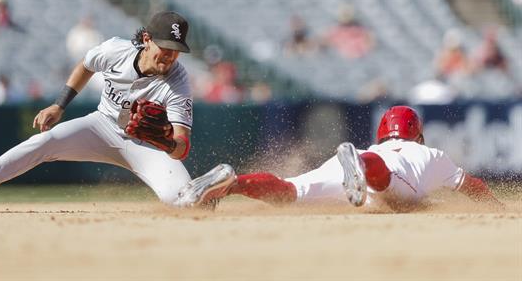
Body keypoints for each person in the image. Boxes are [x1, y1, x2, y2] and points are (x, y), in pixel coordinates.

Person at [0, 11, 195, 211]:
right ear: (147, 40)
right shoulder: (116, 50)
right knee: (43, 142)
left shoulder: (178, 81)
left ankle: (220, 190)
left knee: (184, 200)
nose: (170, 56)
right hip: (101, 126)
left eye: (177, 50)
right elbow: (86, 65)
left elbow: (182, 145)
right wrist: (59, 105)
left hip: (144, 146)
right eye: (166, 47)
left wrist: (166, 142)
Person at [175, 106, 502, 211]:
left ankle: (231, 185)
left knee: (288, 192)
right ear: (417, 132)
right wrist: (498, 210)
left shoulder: (378, 147)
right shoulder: (431, 153)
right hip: (373, 171)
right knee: (388, 183)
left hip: (355, 161)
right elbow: (471, 185)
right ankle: (360, 167)